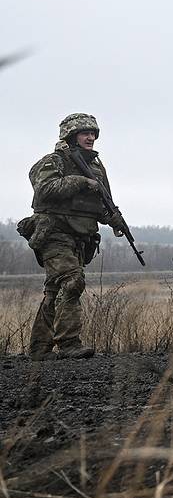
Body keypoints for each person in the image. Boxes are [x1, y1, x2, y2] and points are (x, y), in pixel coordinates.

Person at [19, 113, 128, 359]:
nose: (91, 137)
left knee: (55, 291)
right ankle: (69, 344)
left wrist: (114, 219)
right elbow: (44, 191)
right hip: (53, 233)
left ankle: (39, 350)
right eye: (85, 133)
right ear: (71, 136)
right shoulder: (52, 162)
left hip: (80, 237)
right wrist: (80, 181)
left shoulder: (96, 167)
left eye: (94, 133)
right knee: (72, 280)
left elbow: (101, 202)